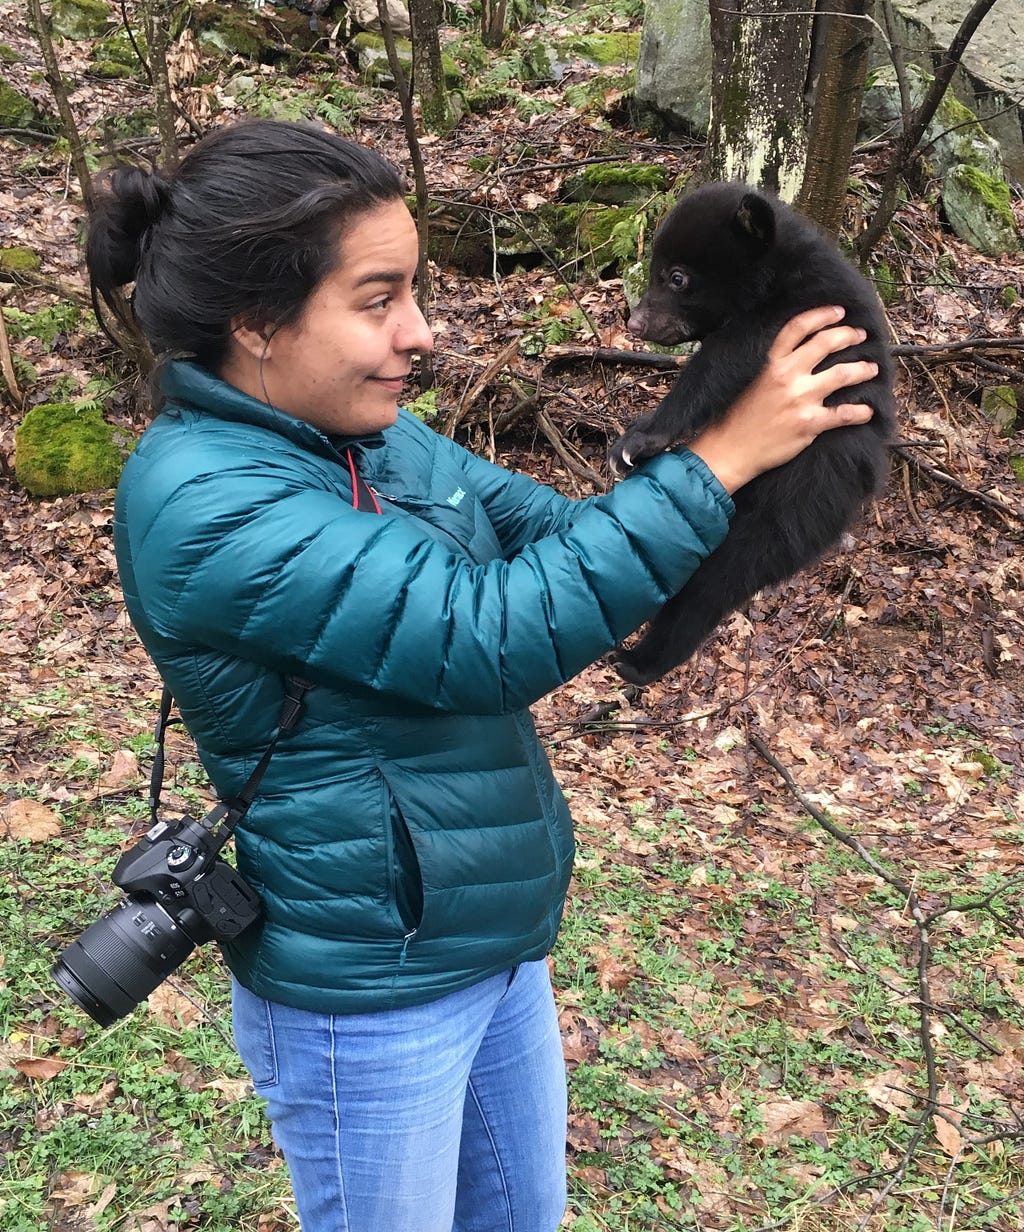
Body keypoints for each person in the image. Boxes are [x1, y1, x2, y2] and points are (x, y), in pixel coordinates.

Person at [86, 119, 877, 1232]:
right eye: (377, 299)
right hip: (370, 989)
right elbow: (488, 633)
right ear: (254, 321)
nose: (422, 332)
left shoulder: (371, 436)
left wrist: (759, 472)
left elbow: (562, 540)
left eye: (415, 289)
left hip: (491, 942)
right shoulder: (209, 501)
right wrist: (719, 457)